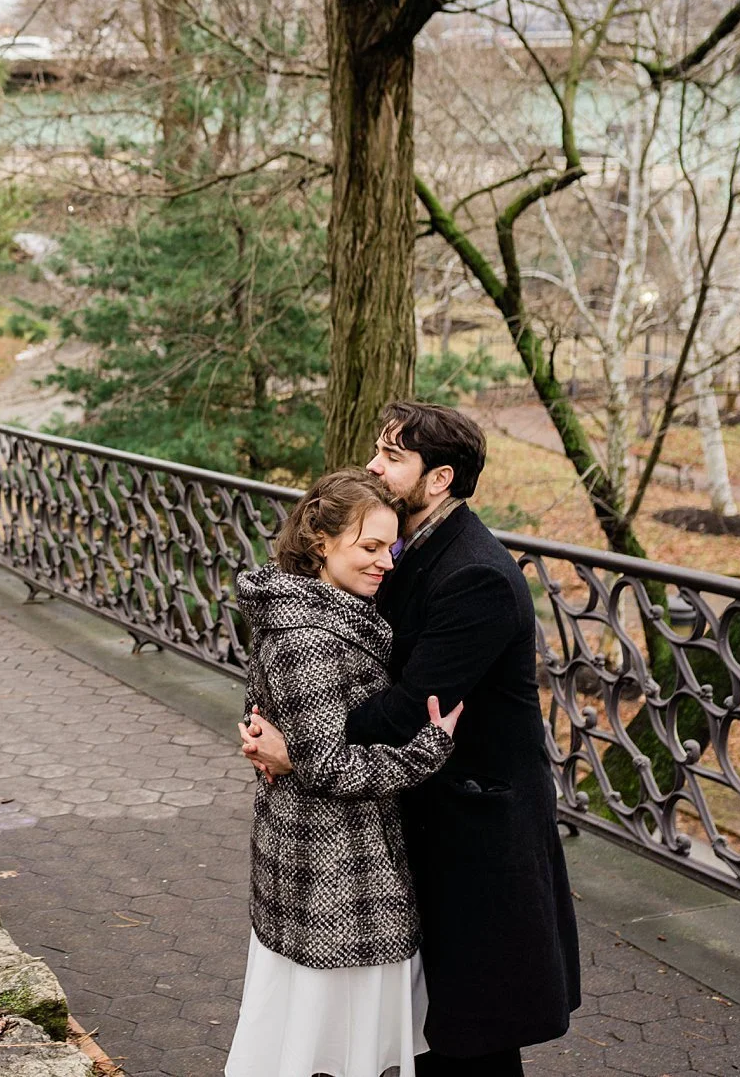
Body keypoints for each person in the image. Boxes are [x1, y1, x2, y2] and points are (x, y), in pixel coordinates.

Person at [240, 403, 580, 1076]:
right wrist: (267, 710)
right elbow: (323, 655)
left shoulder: (474, 575)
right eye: (376, 450)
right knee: (431, 1030)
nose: (373, 464)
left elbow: (402, 709)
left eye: (392, 455)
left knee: (471, 1033)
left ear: (439, 478)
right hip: (411, 810)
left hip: (472, 825)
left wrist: (299, 747)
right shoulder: (405, 549)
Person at [224, 469, 463, 1077]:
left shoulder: (317, 613)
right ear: (320, 542)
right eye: (369, 547)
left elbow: (285, 722)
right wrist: (429, 747)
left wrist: (277, 746)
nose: (387, 562)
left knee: (314, 1043)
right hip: (337, 871)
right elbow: (329, 762)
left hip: (316, 856)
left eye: (392, 547)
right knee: (333, 1049)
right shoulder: (310, 634)